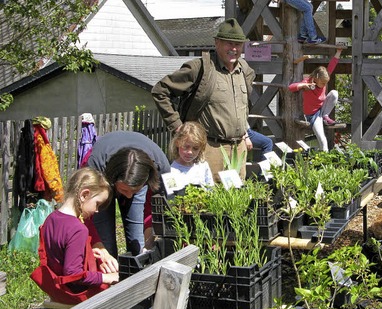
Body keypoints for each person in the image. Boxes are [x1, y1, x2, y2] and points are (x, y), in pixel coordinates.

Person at [152, 18, 256, 181]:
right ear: (217, 43)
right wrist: (177, 126)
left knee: (237, 201)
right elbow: (160, 91)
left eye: (238, 44)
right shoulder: (200, 68)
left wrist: (245, 136)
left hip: (238, 150)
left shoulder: (245, 70)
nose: (234, 49)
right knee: (206, 201)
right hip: (209, 149)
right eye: (229, 43)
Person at [31, 167, 119, 305]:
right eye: (97, 204)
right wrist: (106, 277)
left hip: (56, 288)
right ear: (84, 195)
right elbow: (73, 274)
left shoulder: (51, 218)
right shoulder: (78, 229)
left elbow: (59, 254)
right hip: (76, 293)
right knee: (121, 299)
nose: (96, 210)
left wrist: (88, 253)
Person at [85, 131, 171, 264]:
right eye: (124, 190)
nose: (129, 195)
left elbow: (156, 207)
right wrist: (99, 247)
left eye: (134, 190)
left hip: (136, 175)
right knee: (105, 242)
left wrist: (150, 237)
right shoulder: (94, 165)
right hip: (102, 178)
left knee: (138, 243)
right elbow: (85, 213)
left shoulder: (161, 167)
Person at [289, 48, 342, 152]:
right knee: (323, 140)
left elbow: (332, 64)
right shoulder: (308, 82)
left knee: (334, 93)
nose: (324, 85)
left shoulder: (324, 78)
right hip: (313, 115)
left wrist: (339, 51)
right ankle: (323, 160)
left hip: (322, 109)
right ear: (316, 78)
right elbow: (291, 87)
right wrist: (304, 85)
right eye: (322, 83)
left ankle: (326, 116)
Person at [169, 121, 214, 186]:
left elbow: (210, 188)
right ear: (177, 143)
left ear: (201, 148)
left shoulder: (203, 166)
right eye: (186, 147)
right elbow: (171, 194)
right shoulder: (171, 170)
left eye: (195, 148)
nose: (190, 152)